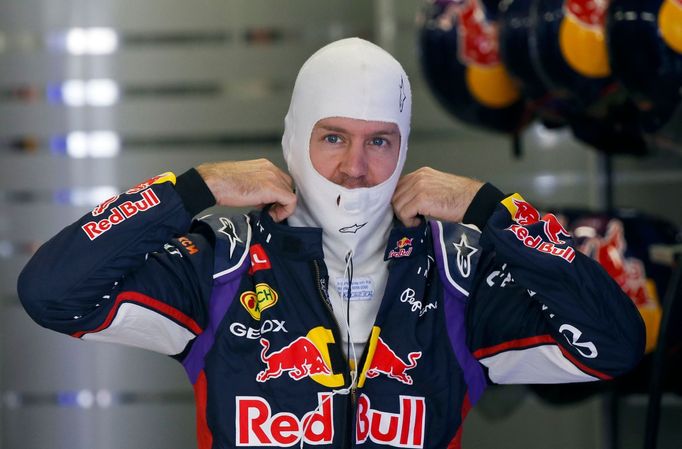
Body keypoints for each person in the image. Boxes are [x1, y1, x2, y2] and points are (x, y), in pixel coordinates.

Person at [18, 38, 644, 449]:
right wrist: (191, 189)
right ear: (295, 137)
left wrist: (496, 211)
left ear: (403, 149)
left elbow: (614, 345)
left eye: (379, 142)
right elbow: (52, 293)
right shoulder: (223, 260)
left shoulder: (458, 273)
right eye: (333, 137)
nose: (355, 167)